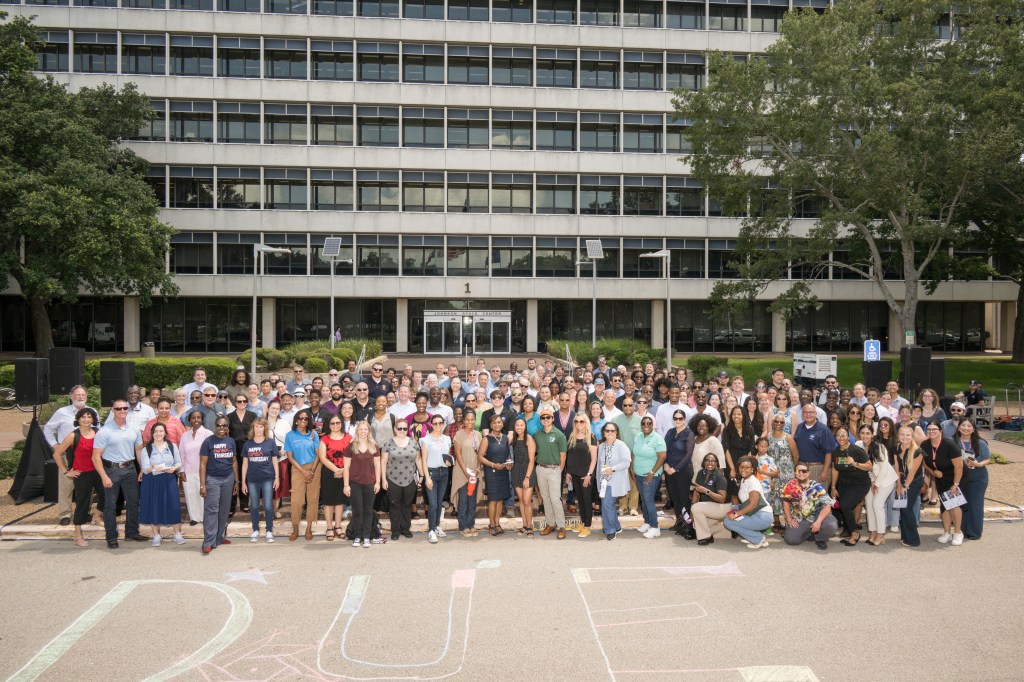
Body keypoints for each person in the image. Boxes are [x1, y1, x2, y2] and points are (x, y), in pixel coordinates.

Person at [43, 385, 99, 526]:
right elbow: (48, 429)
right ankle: (65, 514)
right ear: (70, 396)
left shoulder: (93, 412)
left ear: (86, 396)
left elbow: (99, 430)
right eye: (77, 395)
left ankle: (84, 512)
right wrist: (55, 445)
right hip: (67, 454)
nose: (80, 397)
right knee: (66, 486)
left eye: (83, 395)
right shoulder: (62, 412)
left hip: (87, 454)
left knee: (87, 487)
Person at [94, 399, 146, 548]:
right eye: (118, 409)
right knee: (110, 505)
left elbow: (138, 450)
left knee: (134, 502)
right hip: (111, 470)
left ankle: (132, 532)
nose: (122, 411)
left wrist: (141, 468)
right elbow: (96, 456)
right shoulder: (105, 431)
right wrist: (104, 476)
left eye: (125, 408)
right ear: (113, 411)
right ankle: (111, 537)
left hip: (130, 469)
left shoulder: (134, 429)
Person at [51, 407, 102, 547]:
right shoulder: (73, 435)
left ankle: (96, 516)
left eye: (89, 417)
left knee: (106, 495)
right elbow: (56, 454)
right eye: (83, 417)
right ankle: (78, 535)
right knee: (83, 503)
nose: (86, 419)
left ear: (93, 419)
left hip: (97, 471)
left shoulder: (98, 432)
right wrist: (66, 471)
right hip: (82, 473)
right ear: (78, 419)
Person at [921, 420, 967, 545]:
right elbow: (925, 462)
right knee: (944, 506)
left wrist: (955, 484)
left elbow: (959, 467)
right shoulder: (925, 445)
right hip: (940, 477)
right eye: (929, 429)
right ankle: (946, 532)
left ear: (940, 431)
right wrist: (933, 472)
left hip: (955, 477)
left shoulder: (949, 445)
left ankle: (958, 532)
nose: (931, 432)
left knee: (953, 504)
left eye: (934, 429)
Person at [139, 423, 184, 547]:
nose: (158, 434)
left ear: (165, 433)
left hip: (169, 480)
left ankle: (177, 533)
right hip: (152, 481)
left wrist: (174, 468)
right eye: (156, 431)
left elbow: (179, 462)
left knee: (173, 506)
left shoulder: (172, 446)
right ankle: (156, 535)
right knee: (154, 506)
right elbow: (145, 468)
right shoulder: (146, 449)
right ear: (152, 434)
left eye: (161, 431)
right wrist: (155, 467)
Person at [198, 417, 238, 554]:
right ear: (215, 426)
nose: (221, 428)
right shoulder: (208, 441)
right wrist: (202, 485)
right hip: (212, 479)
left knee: (224, 510)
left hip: (228, 479)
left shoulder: (231, 441)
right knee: (211, 510)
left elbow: (234, 461)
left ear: (228, 427)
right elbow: (202, 464)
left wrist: (236, 481)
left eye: (224, 425)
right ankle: (208, 542)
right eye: (219, 425)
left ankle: (219, 537)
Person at [284, 409, 321, 542]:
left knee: (312, 498)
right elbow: (289, 456)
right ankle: (295, 528)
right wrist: (303, 471)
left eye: (306, 418)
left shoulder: (313, 434)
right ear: (296, 420)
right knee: (296, 500)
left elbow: (318, 453)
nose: (303, 421)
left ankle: (309, 528)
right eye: (300, 418)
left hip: (314, 467)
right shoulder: (290, 435)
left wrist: (311, 470)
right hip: (297, 468)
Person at [343, 420, 382, 548]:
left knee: (368, 511)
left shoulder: (374, 446)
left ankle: (366, 536)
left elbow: (377, 465)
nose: (363, 432)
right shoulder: (351, 447)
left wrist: (378, 482)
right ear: (357, 431)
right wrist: (346, 485)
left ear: (369, 431)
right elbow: (346, 467)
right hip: (354, 483)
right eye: (361, 429)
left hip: (370, 483)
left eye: (366, 429)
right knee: (357, 511)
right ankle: (357, 536)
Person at [781, 463, 838, 550]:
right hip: (800, 518)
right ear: (795, 473)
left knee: (831, 525)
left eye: (804, 471)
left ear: (808, 472)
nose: (801, 473)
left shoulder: (817, 487)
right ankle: (809, 533)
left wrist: (818, 521)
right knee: (791, 540)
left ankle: (820, 538)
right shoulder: (790, 485)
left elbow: (827, 506)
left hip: (817, 516)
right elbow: (785, 502)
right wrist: (789, 519)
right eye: (798, 471)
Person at [830, 427, 871, 546]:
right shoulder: (835, 451)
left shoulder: (857, 450)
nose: (841, 438)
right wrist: (833, 487)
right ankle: (849, 532)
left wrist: (855, 463)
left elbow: (869, 466)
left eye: (843, 435)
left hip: (859, 483)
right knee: (844, 507)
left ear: (848, 437)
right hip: (844, 483)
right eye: (838, 435)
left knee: (845, 505)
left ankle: (854, 533)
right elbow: (835, 469)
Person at [722, 455, 773, 549]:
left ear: (752, 469)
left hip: (762, 516)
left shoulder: (753, 482)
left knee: (728, 522)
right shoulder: (744, 480)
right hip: (754, 513)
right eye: (741, 467)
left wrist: (736, 514)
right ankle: (751, 536)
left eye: (747, 467)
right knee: (731, 510)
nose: (743, 470)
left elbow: (753, 505)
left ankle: (759, 539)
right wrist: (734, 510)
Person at [381, 419, 419, 540]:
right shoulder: (388, 444)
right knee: (394, 505)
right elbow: (383, 462)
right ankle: (395, 530)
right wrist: (383, 480)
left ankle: (405, 529)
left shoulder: (414, 443)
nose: (402, 431)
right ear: (395, 429)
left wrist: (422, 476)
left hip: (410, 479)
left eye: (405, 428)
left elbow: (418, 460)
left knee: (407, 505)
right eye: (399, 428)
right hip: (393, 479)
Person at [534, 407, 569, 539]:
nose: (545, 419)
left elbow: (563, 455)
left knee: (555, 499)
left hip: (554, 469)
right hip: (540, 468)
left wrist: (559, 471)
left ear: (553, 419)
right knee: (546, 498)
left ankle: (561, 526)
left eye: (548, 417)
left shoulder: (559, 434)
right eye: (543, 417)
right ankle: (551, 524)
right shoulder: (537, 434)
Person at [860, 424, 897, 546]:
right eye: (862, 433)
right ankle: (873, 532)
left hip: (885, 480)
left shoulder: (879, 447)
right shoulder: (858, 445)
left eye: (867, 433)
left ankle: (881, 534)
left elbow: (885, 468)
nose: (865, 436)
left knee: (877, 504)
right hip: (869, 480)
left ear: (872, 435)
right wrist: (871, 482)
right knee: (869, 505)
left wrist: (877, 483)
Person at [317, 414, 352, 538]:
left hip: (345, 472)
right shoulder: (324, 439)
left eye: (338, 423)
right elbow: (322, 457)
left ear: (341, 423)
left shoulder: (349, 438)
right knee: (329, 501)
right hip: (329, 473)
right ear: (329, 425)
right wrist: (336, 469)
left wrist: (343, 470)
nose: (335, 425)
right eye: (332, 423)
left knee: (339, 501)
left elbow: (353, 455)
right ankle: (329, 527)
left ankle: (338, 526)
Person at [420, 415, 452, 543]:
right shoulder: (425, 440)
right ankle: (431, 530)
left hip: (444, 472)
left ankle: (437, 525)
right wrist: (427, 477)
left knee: (439, 503)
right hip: (432, 473)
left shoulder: (448, 439)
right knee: (432, 504)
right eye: (435, 423)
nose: (438, 426)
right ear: (431, 424)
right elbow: (423, 459)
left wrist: (449, 463)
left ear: (444, 423)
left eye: (440, 423)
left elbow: (447, 456)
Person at [564, 414, 598, 538]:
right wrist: (568, 472)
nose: (579, 423)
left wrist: (589, 474)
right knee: (580, 500)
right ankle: (583, 523)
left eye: (582, 421)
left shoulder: (591, 437)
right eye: (576, 421)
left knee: (587, 500)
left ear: (586, 422)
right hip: (574, 473)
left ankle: (587, 527)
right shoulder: (572, 436)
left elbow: (594, 459)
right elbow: (570, 456)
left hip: (586, 474)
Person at [632, 416, 666, 539]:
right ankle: (647, 522)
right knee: (644, 499)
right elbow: (634, 453)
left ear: (653, 425)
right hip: (639, 474)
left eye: (649, 423)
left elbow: (662, 457)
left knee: (648, 500)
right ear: (641, 425)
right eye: (644, 423)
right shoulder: (638, 436)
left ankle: (655, 526)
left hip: (651, 475)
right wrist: (633, 470)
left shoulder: (657, 439)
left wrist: (652, 472)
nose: (646, 425)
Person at [480, 414, 513, 536]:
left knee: (500, 499)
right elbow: (480, 457)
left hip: (503, 471)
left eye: (499, 422)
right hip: (492, 472)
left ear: (502, 424)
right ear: (490, 425)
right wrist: (493, 465)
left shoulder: (506, 438)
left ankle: (497, 523)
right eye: (494, 423)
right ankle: (492, 524)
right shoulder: (486, 439)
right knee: (493, 499)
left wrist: (509, 463)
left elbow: (508, 454)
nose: (497, 424)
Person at [597, 421, 632, 540]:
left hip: (615, 480)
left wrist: (612, 469)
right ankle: (616, 526)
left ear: (616, 433)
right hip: (603, 482)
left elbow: (626, 462)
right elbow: (599, 465)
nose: (610, 433)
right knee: (606, 504)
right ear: (604, 432)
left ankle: (610, 529)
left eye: (612, 431)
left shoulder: (621, 445)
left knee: (607, 504)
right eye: (607, 431)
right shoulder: (601, 446)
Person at [663, 408, 695, 537]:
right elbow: (664, 450)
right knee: (675, 498)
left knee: (683, 498)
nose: (678, 420)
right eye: (675, 418)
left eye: (680, 418)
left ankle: (687, 526)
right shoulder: (670, 432)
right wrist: (665, 465)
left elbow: (688, 454)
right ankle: (679, 522)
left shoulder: (689, 433)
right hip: (668, 470)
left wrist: (675, 469)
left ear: (684, 419)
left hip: (682, 471)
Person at [957, 419, 990, 540]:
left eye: (969, 426)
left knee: (975, 504)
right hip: (960, 477)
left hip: (978, 476)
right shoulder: (954, 442)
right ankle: (962, 529)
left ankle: (974, 532)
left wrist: (979, 464)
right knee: (962, 503)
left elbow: (987, 459)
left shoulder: (980, 443)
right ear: (959, 427)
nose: (965, 428)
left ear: (973, 429)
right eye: (963, 425)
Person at [451, 409, 482, 536]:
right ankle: (463, 526)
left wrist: (477, 469)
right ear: (464, 420)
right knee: (463, 499)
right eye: (468, 419)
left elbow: (480, 454)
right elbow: (458, 454)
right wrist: (466, 472)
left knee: (472, 499)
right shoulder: (459, 434)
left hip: (475, 472)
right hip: (462, 471)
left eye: (472, 419)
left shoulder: (478, 434)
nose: (470, 422)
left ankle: (471, 524)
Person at [792, 403, 837, 486]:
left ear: (816, 414)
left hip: (818, 468)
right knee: (802, 497)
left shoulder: (823, 430)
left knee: (818, 497)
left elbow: (829, 452)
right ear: (802, 414)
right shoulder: (799, 427)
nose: (808, 414)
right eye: (805, 412)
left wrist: (825, 471)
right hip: (802, 469)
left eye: (811, 412)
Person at [691, 453, 730, 545]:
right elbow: (696, 492)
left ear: (717, 463)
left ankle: (705, 537)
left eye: (713, 461)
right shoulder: (701, 473)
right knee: (697, 525)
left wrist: (706, 491)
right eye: (707, 460)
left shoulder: (720, 477)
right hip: (708, 507)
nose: (710, 463)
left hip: (722, 507)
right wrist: (691, 510)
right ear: (704, 462)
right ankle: (719, 529)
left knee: (697, 509)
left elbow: (722, 499)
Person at [179, 410, 209, 526]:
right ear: (189, 420)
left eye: (198, 417)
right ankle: (194, 517)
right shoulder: (185, 436)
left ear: (202, 419)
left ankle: (205, 517)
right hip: (188, 469)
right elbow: (181, 453)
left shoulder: (208, 434)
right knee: (191, 494)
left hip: (203, 470)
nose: (196, 420)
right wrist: (182, 470)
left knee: (203, 495)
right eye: (193, 418)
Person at [612, 395, 642, 517]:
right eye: (625, 405)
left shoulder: (640, 420)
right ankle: (623, 506)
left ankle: (633, 507)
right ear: (622, 406)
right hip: (620, 456)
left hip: (636, 455)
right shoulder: (615, 420)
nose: (628, 407)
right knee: (621, 481)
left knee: (634, 482)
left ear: (634, 406)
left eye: (630, 405)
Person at [508, 416, 537, 535]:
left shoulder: (529, 438)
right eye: (517, 425)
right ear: (514, 427)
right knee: (521, 500)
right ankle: (524, 525)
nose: (519, 427)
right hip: (516, 470)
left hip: (527, 471)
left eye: (521, 425)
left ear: (525, 426)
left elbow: (531, 460)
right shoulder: (513, 439)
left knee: (526, 500)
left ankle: (530, 526)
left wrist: (527, 477)